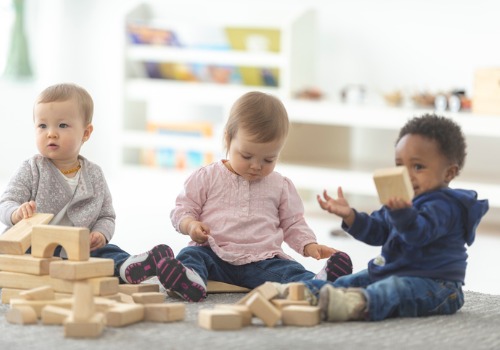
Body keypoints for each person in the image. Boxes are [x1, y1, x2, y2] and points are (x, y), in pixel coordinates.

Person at [271, 113, 489, 322]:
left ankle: (355, 304)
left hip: (436, 285)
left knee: (393, 291)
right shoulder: (402, 199)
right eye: (400, 165)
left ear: (449, 173)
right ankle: (305, 293)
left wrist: (401, 214)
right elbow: (378, 231)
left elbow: (418, 234)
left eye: (418, 167)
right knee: (354, 280)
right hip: (393, 271)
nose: (406, 174)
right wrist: (351, 216)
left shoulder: (446, 206)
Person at [144, 91, 352, 302]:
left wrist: (309, 245)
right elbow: (182, 209)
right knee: (190, 256)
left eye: (268, 160)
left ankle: (317, 284)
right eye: (246, 156)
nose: (256, 166)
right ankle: (190, 281)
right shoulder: (207, 176)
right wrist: (190, 225)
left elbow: (293, 223)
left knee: (288, 271)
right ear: (228, 139)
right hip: (213, 253)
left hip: (261, 260)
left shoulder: (280, 185)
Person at [0, 83, 173, 284]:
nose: (51, 133)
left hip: (80, 248)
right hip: (37, 244)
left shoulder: (94, 174)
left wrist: (101, 233)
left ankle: (129, 267)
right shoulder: (32, 168)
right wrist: (16, 213)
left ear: (86, 133)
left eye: (62, 125)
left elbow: (106, 215)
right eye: (42, 126)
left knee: (109, 252)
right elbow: (6, 202)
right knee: (17, 254)